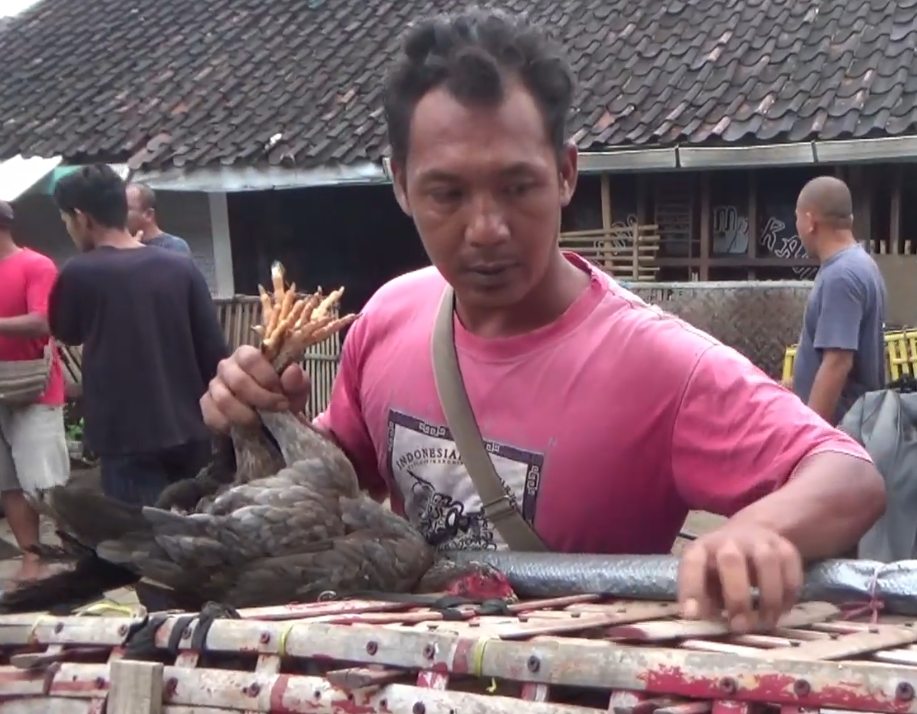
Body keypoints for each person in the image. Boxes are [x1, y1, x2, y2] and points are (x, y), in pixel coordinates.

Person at [200, 9, 886, 632]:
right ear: (401, 185)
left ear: (563, 174)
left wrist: (755, 532)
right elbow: (337, 485)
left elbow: (845, 475)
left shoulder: (659, 365)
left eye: (517, 186)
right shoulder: (387, 318)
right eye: (447, 193)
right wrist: (262, 424)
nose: (487, 228)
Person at [48, 166, 229, 506]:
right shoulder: (181, 267)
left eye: (66, 222)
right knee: (199, 536)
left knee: (142, 545)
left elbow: (66, 330)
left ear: (81, 217)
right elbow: (214, 351)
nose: (70, 230)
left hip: (125, 439)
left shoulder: (79, 272)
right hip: (192, 432)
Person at [0, 201, 70, 580]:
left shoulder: (36, 265)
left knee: (45, 483)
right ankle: (30, 558)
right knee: (7, 482)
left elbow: (43, 321)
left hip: (34, 388)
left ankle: (66, 554)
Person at [790, 176, 887, 425]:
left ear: (810, 221)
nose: (797, 226)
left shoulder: (841, 275)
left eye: (797, 217)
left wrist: (811, 433)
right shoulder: (860, 264)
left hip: (841, 430)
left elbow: (837, 362)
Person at [125, 182, 193, 255]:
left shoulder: (174, 247)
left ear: (148, 214)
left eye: (126, 209)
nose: (118, 213)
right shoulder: (118, 245)